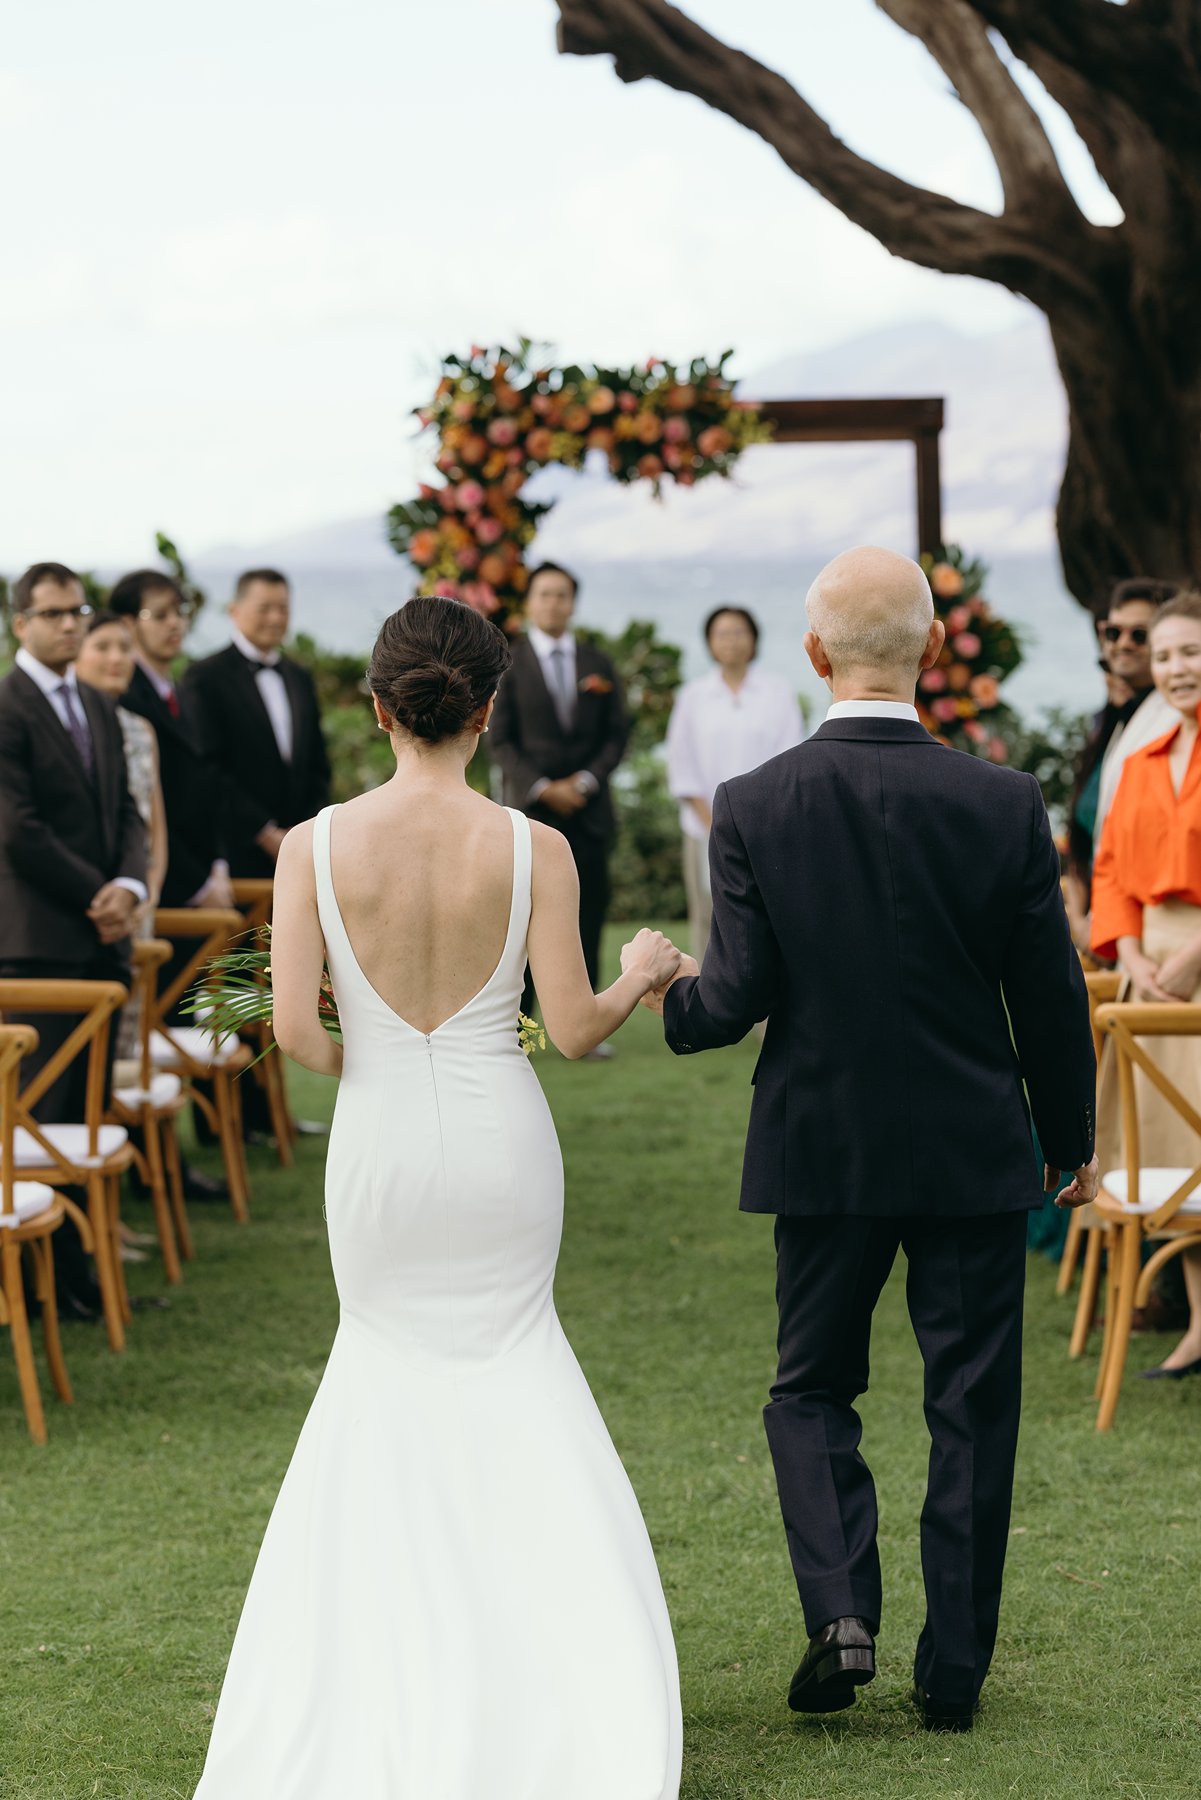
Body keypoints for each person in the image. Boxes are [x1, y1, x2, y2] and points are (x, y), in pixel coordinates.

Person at [193, 596, 683, 1799]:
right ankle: (557, 1677)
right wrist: (638, 975)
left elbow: (304, 1044)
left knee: (382, 1370)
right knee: (518, 1363)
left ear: (376, 709)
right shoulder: (536, 850)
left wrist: (370, 1033)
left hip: (381, 1153)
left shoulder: (311, 846)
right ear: (487, 709)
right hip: (499, 1139)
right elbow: (570, 1033)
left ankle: (375, 1669)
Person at [638, 545, 1097, 1733]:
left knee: (809, 1394)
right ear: (932, 650)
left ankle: (841, 1615)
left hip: (822, 1150)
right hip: (972, 1151)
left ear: (811, 655)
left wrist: (668, 991)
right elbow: (1047, 994)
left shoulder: (755, 803)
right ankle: (952, 1675)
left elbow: (728, 1003)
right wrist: (1069, 1136)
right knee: (972, 1408)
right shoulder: (1002, 801)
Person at [0, 564, 148, 1318]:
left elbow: (126, 811)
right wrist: (95, 894)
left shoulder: (94, 702)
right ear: (17, 620)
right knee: (38, 1124)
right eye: (52, 614)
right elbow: (16, 828)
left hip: (103, 939)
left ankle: (80, 1282)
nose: (68, 625)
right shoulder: (6, 705)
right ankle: (36, 1290)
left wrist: (129, 888)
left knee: (89, 1118)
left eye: (75, 612)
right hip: (38, 946)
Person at [1091, 591, 1201, 1379]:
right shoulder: (1136, 763)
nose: (1174, 668)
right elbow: (1107, 873)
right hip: (1146, 967)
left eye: (1189, 651)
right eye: (1163, 655)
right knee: (1168, 1150)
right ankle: (1198, 1323)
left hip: (1196, 960)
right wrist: (1128, 955)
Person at [489, 562, 629, 1045]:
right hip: (531, 814)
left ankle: (585, 1024)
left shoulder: (598, 662)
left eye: (563, 595)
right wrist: (542, 786)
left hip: (589, 816)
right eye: (545, 594)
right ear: (529, 602)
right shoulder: (506, 662)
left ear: (573, 603)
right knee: (519, 923)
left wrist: (586, 782)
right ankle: (517, 1026)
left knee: (588, 916)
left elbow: (617, 734)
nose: (554, 603)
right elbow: (499, 739)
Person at [666, 605, 803, 964]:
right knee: (708, 917)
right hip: (703, 829)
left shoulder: (777, 692)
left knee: (767, 917)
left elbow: (787, 761)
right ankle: (710, 1008)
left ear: (754, 639)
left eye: (739, 632)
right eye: (722, 633)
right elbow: (683, 767)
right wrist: (717, 824)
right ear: (710, 643)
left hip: (767, 830)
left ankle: (766, 1015)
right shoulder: (693, 696)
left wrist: (754, 823)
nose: (731, 641)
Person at [181, 568, 331, 878]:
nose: (276, 618)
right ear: (234, 611)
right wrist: (264, 833)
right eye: (265, 608)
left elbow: (317, 762)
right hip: (235, 851)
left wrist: (305, 832)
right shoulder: (204, 677)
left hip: (301, 848)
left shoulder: (299, 677)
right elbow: (207, 767)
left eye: (284, 608)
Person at [73, 610, 168, 1059]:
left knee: (128, 1040)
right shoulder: (65, 728)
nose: (117, 658)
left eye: (125, 648)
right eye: (103, 647)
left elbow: (154, 827)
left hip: (136, 902)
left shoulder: (140, 729)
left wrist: (144, 894)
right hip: (83, 901)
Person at [1065, 577, 1178, 952]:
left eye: (1139, 635)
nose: (1122, 644)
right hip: (1106, 924)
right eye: (1113, 632)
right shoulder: (1118, 721)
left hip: (1145, 935)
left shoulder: (1174, 722)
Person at [107, 568, 231, 909]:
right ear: (127, 623)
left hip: (207, 876)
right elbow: (142, 809)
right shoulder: (124, 700)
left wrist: (218, 867)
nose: (175, 623)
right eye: (160, 615)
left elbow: (207, 783)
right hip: (162, 890)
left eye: (179, 612)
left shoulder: (184, 693)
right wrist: (198, 887)